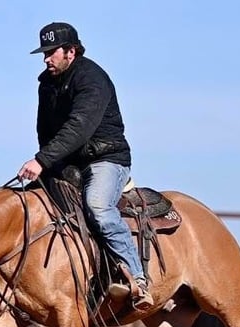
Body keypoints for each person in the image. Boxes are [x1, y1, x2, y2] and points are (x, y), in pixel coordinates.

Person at [17, 22, 153, 310]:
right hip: (70, 163)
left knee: (98, 208)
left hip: (107, 159)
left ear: (71, 51)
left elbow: (79, 127)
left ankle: (138, 279)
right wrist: (47, 166)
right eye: (44, 53)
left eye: (52, 53)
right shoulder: (47, 84)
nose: (46, 59)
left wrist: (41, 161)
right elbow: (46, 132)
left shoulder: (92, 79)